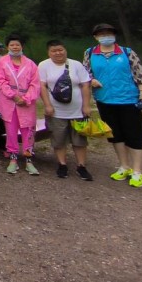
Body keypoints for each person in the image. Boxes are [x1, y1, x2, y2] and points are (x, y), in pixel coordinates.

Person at [82, 23, 142, 188]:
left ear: (114, 35)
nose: (105, 36)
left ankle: (137, 171)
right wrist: (91, 80)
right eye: (101, 34)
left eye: (108, 33)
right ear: (96, 37)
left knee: (134, 135)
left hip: (128, 99)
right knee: (115, 135)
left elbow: (138, 73)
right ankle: (124, 166)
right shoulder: (90, 53)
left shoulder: (126, 52)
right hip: (104, 100)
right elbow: (84, 72)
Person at [39, 39, 94, 181]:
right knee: (58, 138)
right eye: (54, 50)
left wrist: (86, 105)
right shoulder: (43, 65)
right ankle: (62, 164)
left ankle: (81, 166)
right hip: (56, 110)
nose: (58, 53)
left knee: (79, 139)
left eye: (60, 50)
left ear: (65, 50)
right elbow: (42, 86)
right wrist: (47, 105)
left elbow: (85, 85)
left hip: (77, 109)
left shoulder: (76, 65)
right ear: (48, 52)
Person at [0, 34, 41, 175]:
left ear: (22, 46)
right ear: (8, 47)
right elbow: (0, 81)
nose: (15, 47)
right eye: (12, 45)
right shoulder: (2, 62)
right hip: (9, 102)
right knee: (11, 131)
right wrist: (13, 96)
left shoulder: (31, 64)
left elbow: (35, 84)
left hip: (26, 103)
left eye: (17, 45)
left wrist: (26, 98)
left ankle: (29, 160)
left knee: (28, 131)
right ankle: (13, 159)